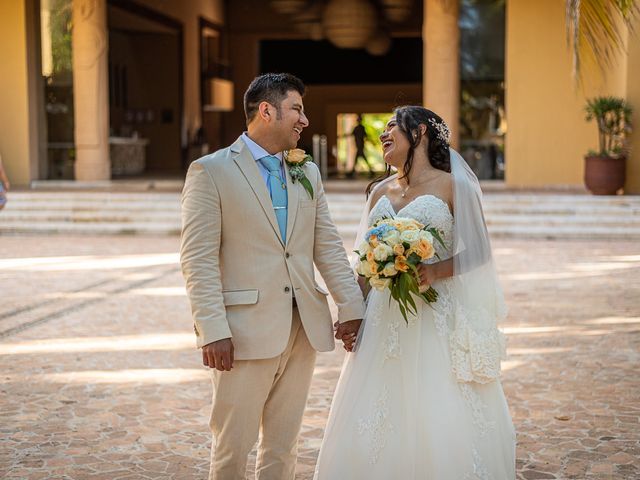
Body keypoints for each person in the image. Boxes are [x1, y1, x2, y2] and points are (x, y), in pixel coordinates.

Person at [180, 73, 365, 480]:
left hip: (303, 330)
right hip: (242, 334)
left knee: (283, 448)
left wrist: (352, 308)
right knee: (232, 447)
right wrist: (212, 329)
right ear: (267, 110)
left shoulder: (306, 172)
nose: (304, 120)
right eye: (297, 108)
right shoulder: (210, 172)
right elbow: (198, 258)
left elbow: (328, 246)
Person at [314, 106, 516, 479]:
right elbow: (364, 260)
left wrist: (436, 270)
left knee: (435, 402)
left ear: (420, 132)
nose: (383, 134)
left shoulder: (453, 185)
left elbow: (480, 250)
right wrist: (352, 313)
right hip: (381, 317)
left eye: (392, 126)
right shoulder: (378, 192)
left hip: (434, 314)